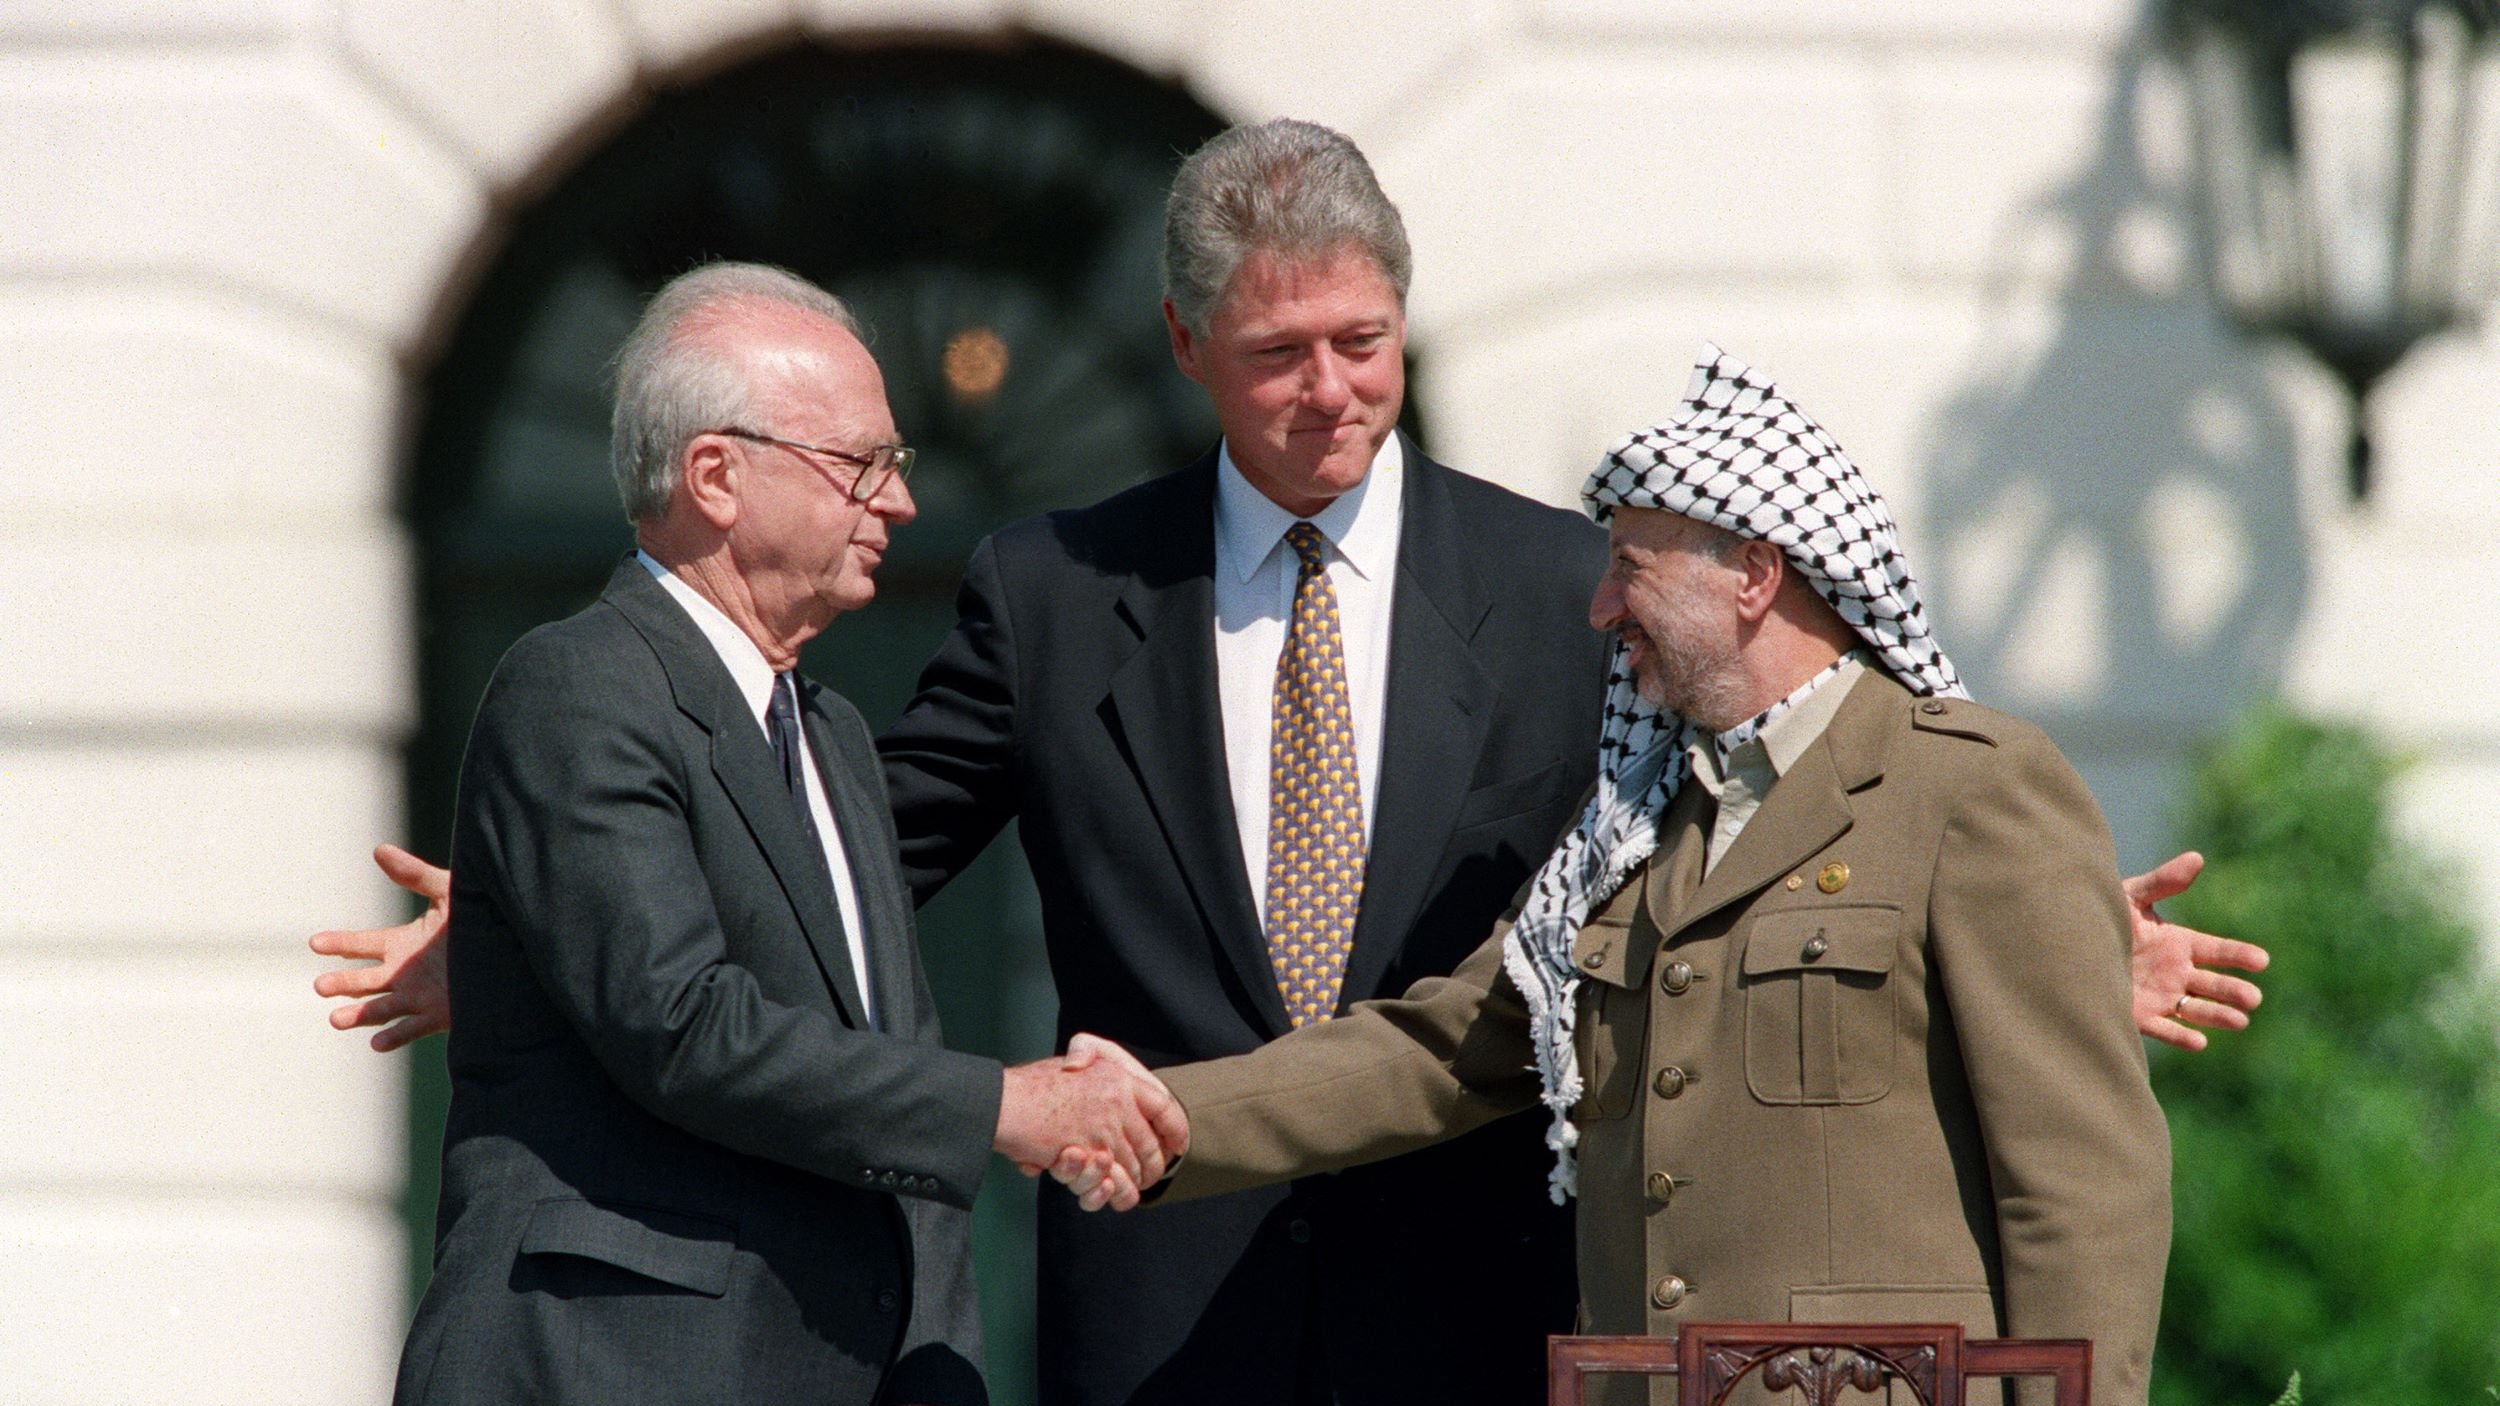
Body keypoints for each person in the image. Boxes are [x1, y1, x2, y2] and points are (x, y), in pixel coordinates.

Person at [319, 125, 2262, 1405]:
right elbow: (831, 855)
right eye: (1277, 354)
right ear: (1183, 344)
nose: (1328, 388)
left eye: (1363, 340)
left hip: (1482, 1322)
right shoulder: (1055, 588)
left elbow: (1739, 848)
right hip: (1155, 1323)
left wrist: (2033, 938)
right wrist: (537, 925)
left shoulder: (1552, 579)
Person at [1074, 345, 2175, 1406]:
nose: (1600, 608)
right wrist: (1164, 1113)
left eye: (1630, 568)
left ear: (1753, 574)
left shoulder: (1970, 789)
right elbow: (1440, 1044)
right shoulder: (1632, 827)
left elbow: (2080, 1187)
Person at [389, 262, 1183, 1406]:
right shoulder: (579, 682)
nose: (901, 504)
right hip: (613, 1366)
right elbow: (684, 1022)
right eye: (863, 466)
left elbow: (874, 1058)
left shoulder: (832, 733)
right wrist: (1012, 1105)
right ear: (716, 473)